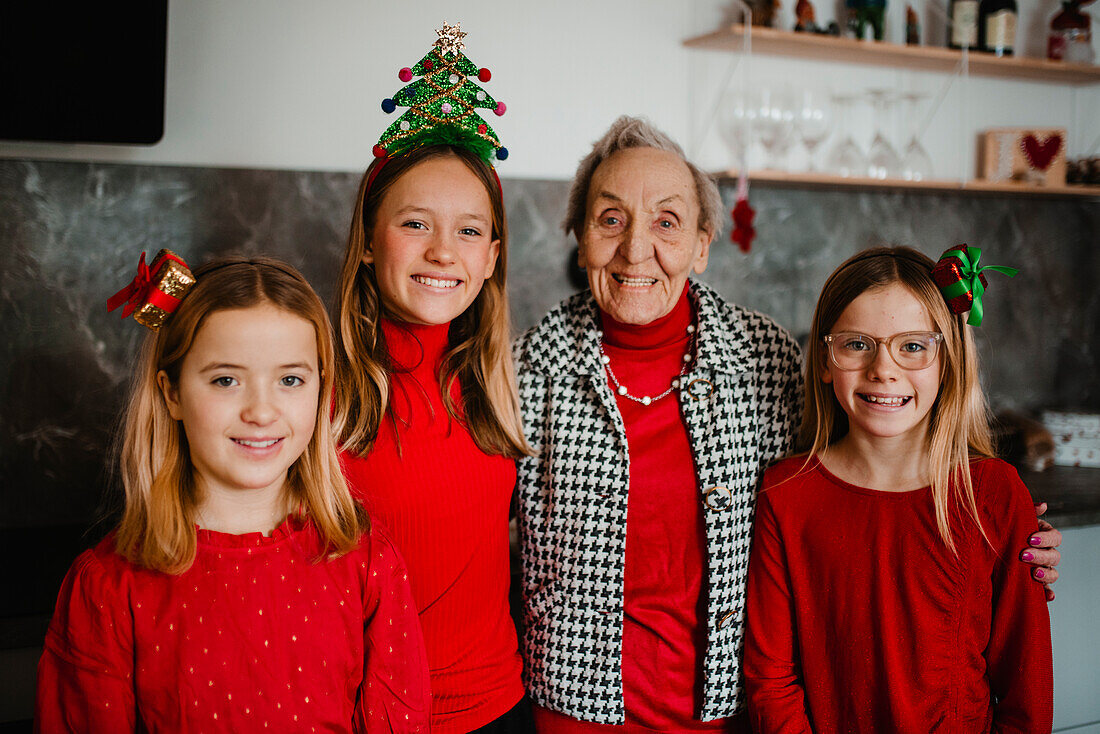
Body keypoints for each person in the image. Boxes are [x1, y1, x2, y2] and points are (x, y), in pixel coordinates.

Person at [512, 117, 1062, 731]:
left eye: (666, 222)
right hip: (574, 712)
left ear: (701, 244)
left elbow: (857, 477)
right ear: (578, 237)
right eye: (610, 219)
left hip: (731, 711)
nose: (636, 248)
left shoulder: (764, 356)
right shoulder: (524, 370)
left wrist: (1012, 535)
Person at [36, 254, 429, 733]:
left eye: (290, 380)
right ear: (172, 393)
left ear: (321, 391)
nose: (261, 412)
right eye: (226, 380)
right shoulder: (108, 586)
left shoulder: (366, 562)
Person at [743, 246, 1053, 732]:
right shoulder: (785, 495)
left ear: (947, 361)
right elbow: (772, 680)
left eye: (912, 346)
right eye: (857, 344)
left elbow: (1025, 695)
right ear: (825, 359)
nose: (883, 369)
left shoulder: (993, 492)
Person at [334, 24, 533, 734]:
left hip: (501, 710)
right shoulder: (323, 394)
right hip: (370, 714)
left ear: (491, 258)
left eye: (470, 231)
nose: (444, 251)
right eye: (415, 224)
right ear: (367, 239)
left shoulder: (498, 388)